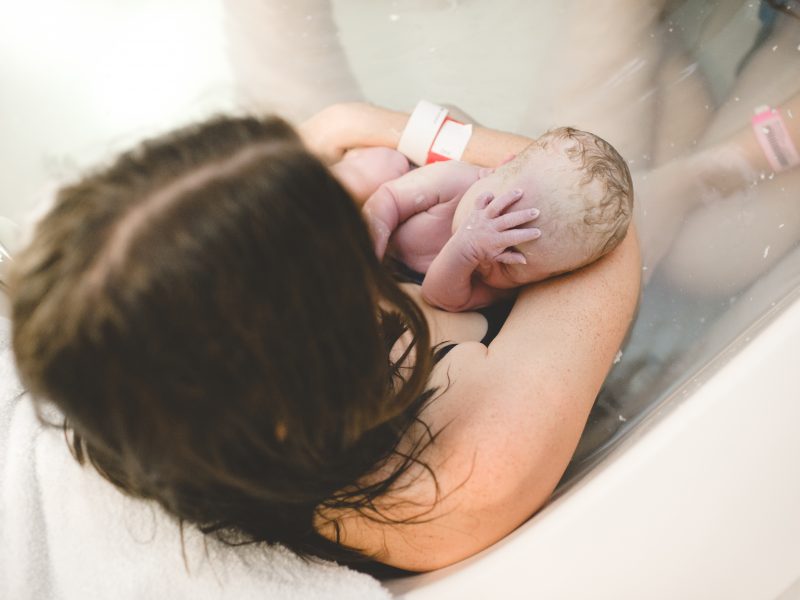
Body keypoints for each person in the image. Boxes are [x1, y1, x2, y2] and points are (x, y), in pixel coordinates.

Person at [7, 104, 641, 576]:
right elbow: (600, 222)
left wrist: (324, 152)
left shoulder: (120, 364)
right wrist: (389, 125)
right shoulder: (463, 469)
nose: (357, 182)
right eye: (340, 216)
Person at [360, 127, 633, 311]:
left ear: (546, 276)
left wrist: (464, 248)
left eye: (510, 261)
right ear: (497, 169)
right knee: (383, 164)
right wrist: (367, 251)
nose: (487, 251)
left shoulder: (502, 288)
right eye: (495, 213)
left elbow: (437, 298)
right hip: (381, 223)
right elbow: (388, 201)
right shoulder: (454, 180)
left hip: (407, 277)